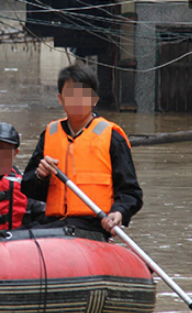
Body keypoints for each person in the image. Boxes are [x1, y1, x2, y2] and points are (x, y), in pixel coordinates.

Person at [21, 64, 143, 240]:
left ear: (94, 99)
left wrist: (119, 212)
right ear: (60, 99)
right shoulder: (49, 134)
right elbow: (29, 188)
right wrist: (40, 176)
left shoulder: (112, 137)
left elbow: (131, 193)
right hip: (53, 224)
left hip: (91, 226)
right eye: (70, 95)